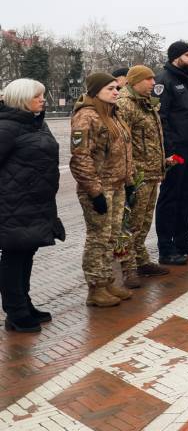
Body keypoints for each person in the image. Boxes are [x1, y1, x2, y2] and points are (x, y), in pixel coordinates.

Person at [0, 79, 62, 333]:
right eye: (37, 95)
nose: (42, 99)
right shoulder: (6, 127)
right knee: (14, 256)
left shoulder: (36, 123)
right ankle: (15, 312)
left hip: (36, 201)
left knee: (27, 253)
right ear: (21, 98)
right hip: (13, 203)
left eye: (43, 95)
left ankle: (24, 303)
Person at [70, 72, 134, 307]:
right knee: (98, 237)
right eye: (111, 88)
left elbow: (125, 151)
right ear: (96, 91)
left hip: (117, 185)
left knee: (111, 237)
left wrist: (130, 180)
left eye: (117, 88)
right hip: (99, 188)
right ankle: (95, 288)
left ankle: (107, 281)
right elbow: (80, 157)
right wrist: (94, 192)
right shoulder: (86, 116)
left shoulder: (112, 113)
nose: (116, 92)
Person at [115, 65, 170, 289]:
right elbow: (122, 143)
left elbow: (153, 139)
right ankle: (128, 269)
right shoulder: (125, 104)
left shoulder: (146, 103)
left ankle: (141, 260)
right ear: (136, 81)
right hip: (137, 175)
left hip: (151, 172)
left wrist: (162, 162)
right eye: (148, 79)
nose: (152, 83)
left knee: (144, 221)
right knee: (131, 223)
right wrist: (129, 173)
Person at [154, 41, 188, 266]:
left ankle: (183, 240)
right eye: (187, 55)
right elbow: (161, 118)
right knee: (170, 197)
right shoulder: (165, 81)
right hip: (177, 149)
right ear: (176, 57)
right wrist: (170, 149)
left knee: (186, 196)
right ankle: (166, 247)